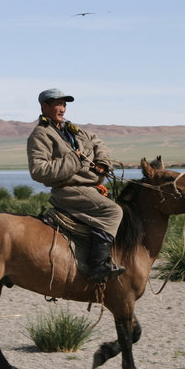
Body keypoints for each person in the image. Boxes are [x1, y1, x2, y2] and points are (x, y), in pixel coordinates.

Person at [27, 88, 125, 283]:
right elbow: (38, 171)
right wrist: (74, 159)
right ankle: (98, 265)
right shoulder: (40, 135)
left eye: (64, 104)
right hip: (69, 190)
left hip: (89, 188)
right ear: (44, 106)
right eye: (57, 104)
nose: (62, 108)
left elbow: (98, 142)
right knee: (113, 211)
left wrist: (103, 162)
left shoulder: (73, 129)